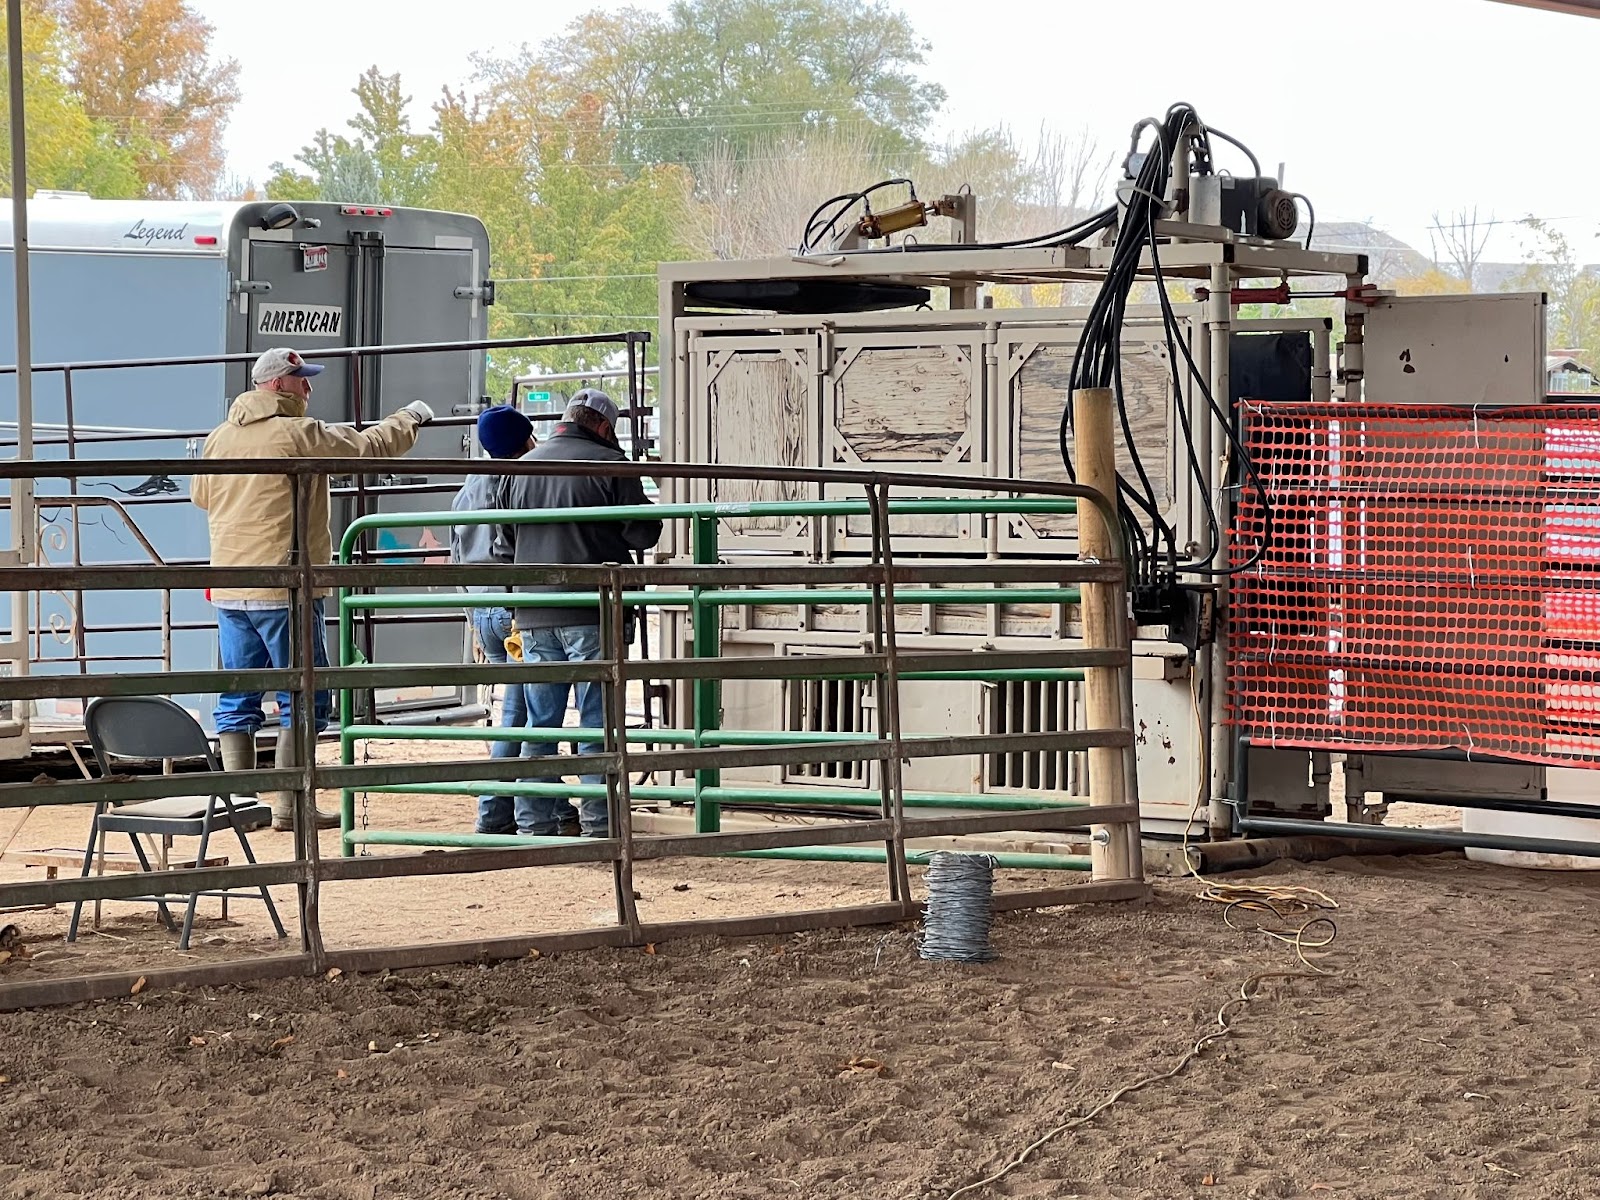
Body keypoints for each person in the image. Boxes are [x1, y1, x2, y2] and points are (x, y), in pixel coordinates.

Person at [193, 347, 434, 831]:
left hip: (231, 584)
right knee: (304, 694)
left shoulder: (219, 437)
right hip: (285, 583)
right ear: (277, 385)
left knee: (238, 695)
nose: (308, 387)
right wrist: (410, 418)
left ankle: (242, 805)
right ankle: (290, 805)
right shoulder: (296, 433)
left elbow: (201, 495)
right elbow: (365, 449)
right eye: (300, 378)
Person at [499, 389, 661, 838]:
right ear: (604, 427)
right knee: (597, 724)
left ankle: (534, 824)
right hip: (594, 611)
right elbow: (643, 533)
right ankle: (599, 824)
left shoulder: (521, 468)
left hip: (535, 613)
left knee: (540, 725)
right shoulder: (610, 464)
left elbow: (504, 545)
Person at [450, 406, 580, 837]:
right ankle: (496, 812)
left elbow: (455, 551)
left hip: (482, 607)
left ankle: (547, 806)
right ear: (525, 440)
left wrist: (472, 612)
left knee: (522, 712)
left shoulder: (469, 486)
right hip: (513, 606)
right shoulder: (518, 480)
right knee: (524, 716)